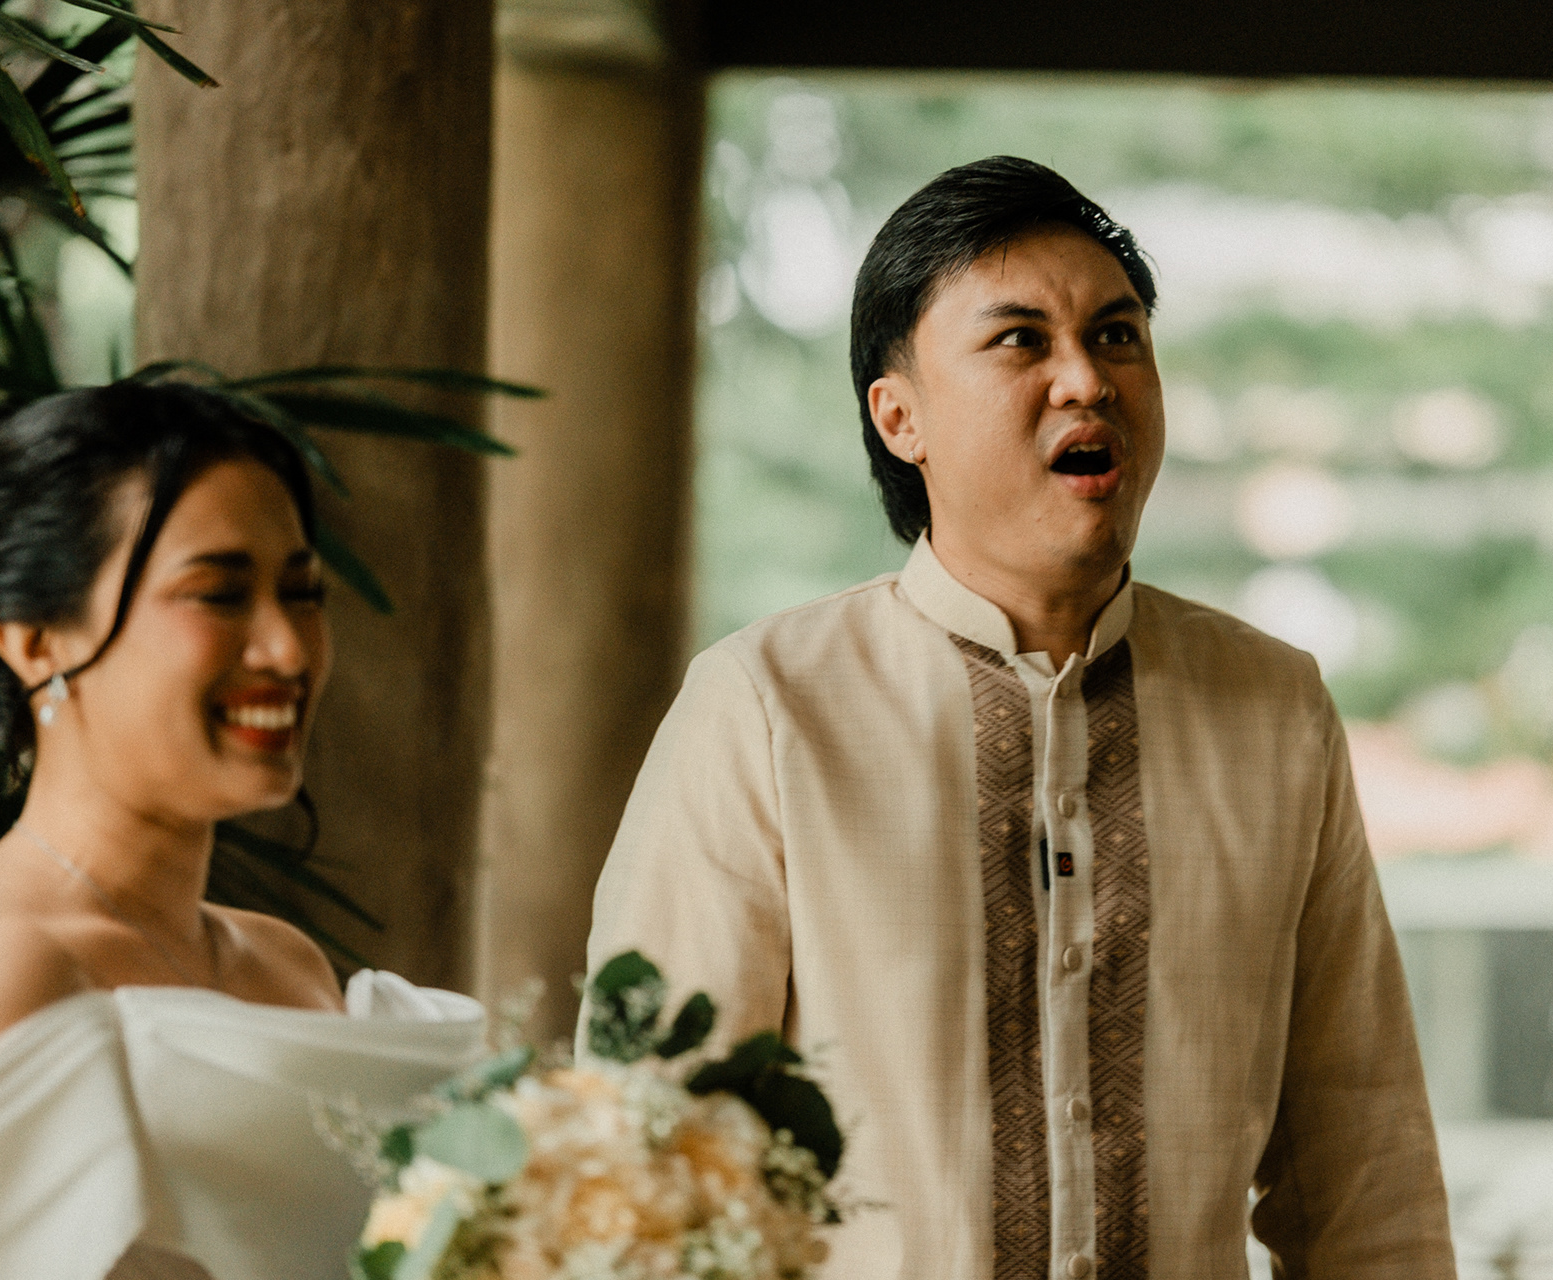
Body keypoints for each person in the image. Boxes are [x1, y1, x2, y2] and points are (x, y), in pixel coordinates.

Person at [583, 157, 1455, 1279]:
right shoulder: (766, 708)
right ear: (901, 417)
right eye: (1020, 341)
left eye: (1118, 335)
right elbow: (649, 1165)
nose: (1086, 379)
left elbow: (1366, 1178)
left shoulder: (1276, 711)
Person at [0, 383, 485, 1280]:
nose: (288, 651)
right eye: (218, 595)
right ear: (35, 642)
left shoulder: (287, 965)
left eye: (302, 593)